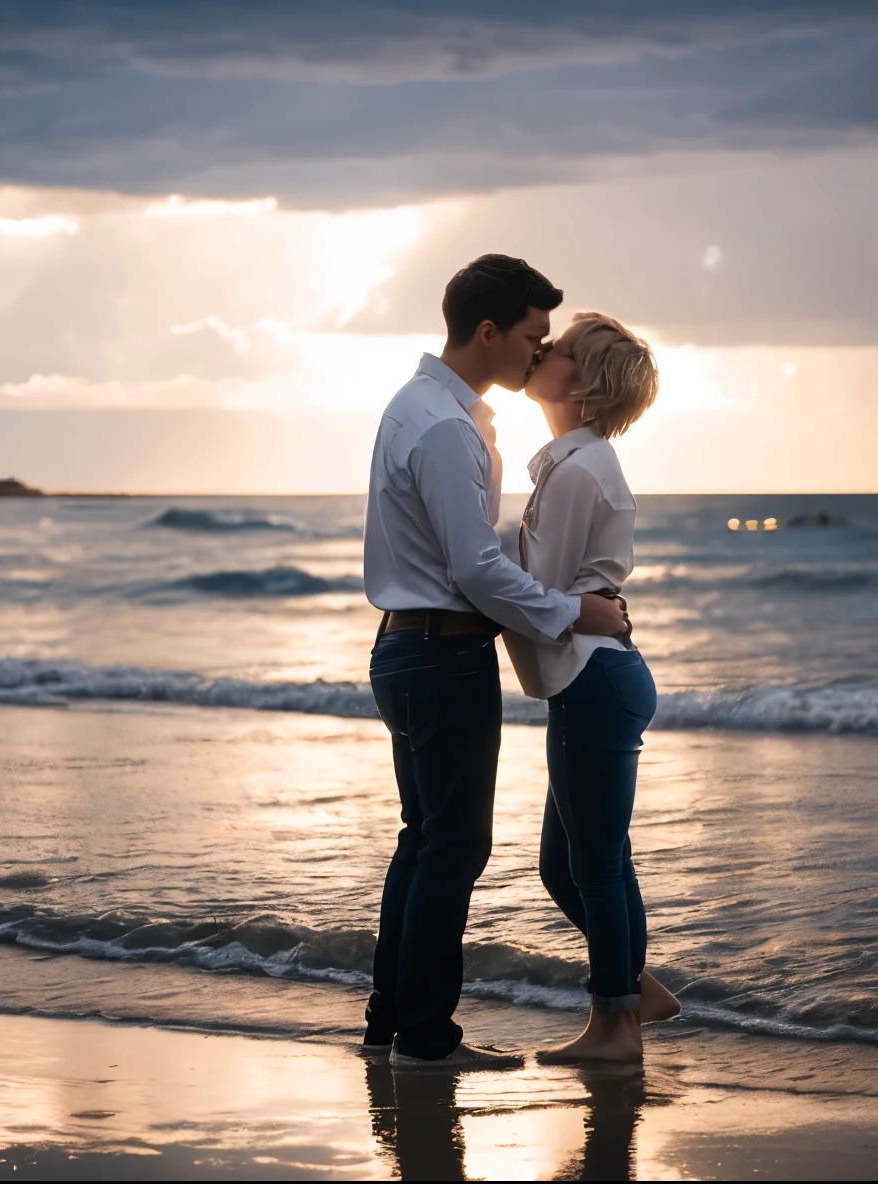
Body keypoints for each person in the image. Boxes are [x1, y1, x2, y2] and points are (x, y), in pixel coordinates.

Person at [362, 256, 628, 1070]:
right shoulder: (444, 427)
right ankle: (427, 1040)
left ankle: (390, 1026)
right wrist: (576, 609)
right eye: (531, 336)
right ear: (489, 331)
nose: (536, 352)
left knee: (424, 841)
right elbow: (475, 569)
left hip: (410, 646)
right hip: (439, 654)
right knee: (453, 847)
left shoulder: (426, 409)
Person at [503, 312, 681, 1064]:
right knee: (572, 864)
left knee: (595, 866)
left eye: (563, 349)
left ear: (585, 386)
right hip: (594, 678)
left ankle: (615, 1028)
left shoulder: (577, 473)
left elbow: (534, 595)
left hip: (594, 680)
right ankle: (636, 993)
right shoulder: (570, 465)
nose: (544, 350)